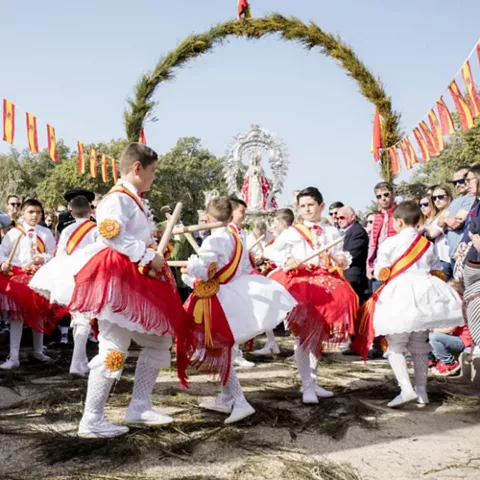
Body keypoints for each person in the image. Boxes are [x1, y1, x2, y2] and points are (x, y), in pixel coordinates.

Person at [32, 143, 187, 438]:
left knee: (159, 340)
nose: (154, 177)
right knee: (114, 349)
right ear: (137, 168)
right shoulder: (117, 199)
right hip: (117, 280)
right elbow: (111, 233)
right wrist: (145, 255)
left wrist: (151, 250)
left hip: (135, 281)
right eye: (152, 171)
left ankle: (139, 406)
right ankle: (91, 419)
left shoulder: (134, 199)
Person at [182, 196, 296, 423]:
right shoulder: (236, 236)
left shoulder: (214, 240)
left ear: (209, 216)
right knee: (222, 349)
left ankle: (240, 400)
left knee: (219, 350)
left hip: (218, 298)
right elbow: (244, 268)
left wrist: (190, 270)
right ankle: (225, 398)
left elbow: (205, 272)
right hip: (232, 293)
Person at [352, 201, 464, 407]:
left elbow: (380, 271)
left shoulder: (390, 243)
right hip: (424, 292)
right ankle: (422, 392)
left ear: (399, 222)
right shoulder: (427, 244)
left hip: (399, 294)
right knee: (420, 345)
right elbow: (437, 270)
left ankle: (405, 389)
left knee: (396, 344)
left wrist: (382, 272)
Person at [263, 187, 358, 404]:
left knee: (317, 337)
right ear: (298, 208)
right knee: (301, 336)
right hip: (300, 285)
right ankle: (306, 386)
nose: (307, 209)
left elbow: (337, 254)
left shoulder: (331, 232)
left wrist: (341, 259)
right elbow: (269, 251)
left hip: (324, 285)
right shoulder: (293, 232)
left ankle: (313, 382)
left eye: (311, 205)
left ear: (321, 206)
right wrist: (287, 259)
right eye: (303, 206)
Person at [31, 196, 98, 376]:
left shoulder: (67, 229)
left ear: (71, 211)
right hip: (90, 274)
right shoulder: (96, 229)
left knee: (78, 317)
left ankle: (81, 359)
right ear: (90, 210)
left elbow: (60, 255)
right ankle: (77, 362)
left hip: (68, 275)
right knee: (84, 317)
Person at [0, 199, 57, 369]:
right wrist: (3, 263)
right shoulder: (14, 233)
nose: (35, 216)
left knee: (38, 314)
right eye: (31, 212)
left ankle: (38, 351)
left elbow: (54, 253)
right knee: (17, 317)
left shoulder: (46, 233)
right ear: (22, 213)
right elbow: (2, 251)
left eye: (38, 212)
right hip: (18, 278)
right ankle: (14, 356)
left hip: (39, 277)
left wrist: (45, 258)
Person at [253, 208, 295, 356]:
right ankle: (271, 342)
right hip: (279, 273)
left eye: (276, 222)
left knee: (293, 310)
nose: (274, 226)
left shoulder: (290, 236)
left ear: (282, 223)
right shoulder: (279, 237)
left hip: (289, 274)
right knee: (265, 306)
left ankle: (299, 348)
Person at [228, 196, 256, 368]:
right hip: (228, 281)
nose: (244, 215)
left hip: (240, 280)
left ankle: (236, 352)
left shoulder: (241, 232)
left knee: (239, 318)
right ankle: (231, 354)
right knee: (231, 319)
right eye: (241, 212)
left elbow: (243, 258)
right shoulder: (225, 231)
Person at [336, 206, 369, 302]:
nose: (339, 220)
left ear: (352, 217)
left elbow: (350, 254)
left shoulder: (357, 232)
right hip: (343, 275)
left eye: (342, 217)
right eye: (337, 218)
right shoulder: (343, 232)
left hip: (353, 277)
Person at [421, 186, 453, 278]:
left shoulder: (448, 212)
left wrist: (422, 229)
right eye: (434, 198)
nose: (437, 200)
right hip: (441, 257)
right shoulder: (440, 214)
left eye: (441, 197)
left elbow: (432, 234)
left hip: (447, 259)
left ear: (448, 196)